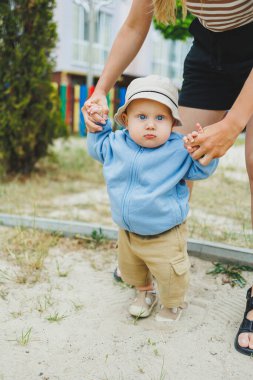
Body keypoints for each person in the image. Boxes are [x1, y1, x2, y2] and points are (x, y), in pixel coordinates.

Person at [82, 0, 253, 352]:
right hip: (209, 53)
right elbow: (133, 26)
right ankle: (156, 256)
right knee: (176, 153)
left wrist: (234, 124)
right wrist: (100, 90)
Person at [86, 74, 218, 322]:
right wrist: (99, 126)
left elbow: (201, 171)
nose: (150, 125)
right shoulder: (116, 144)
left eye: (160, 118)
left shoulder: (179, 149)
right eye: (142, 117)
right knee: (132, 269)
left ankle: (171, 305)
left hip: (165, 232)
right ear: (125, 120)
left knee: (171, 274)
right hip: (127, 231)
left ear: (172, 122)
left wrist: (204, 150)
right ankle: (145, 293)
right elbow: (97, 147)